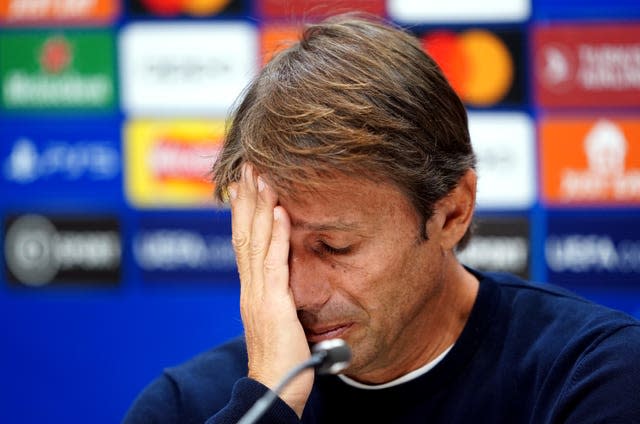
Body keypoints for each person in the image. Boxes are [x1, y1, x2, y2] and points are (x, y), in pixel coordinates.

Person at [124, 14, 640, 423]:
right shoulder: (186, 407)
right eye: (276, 250)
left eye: (335, 247)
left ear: (452, 213)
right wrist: (268, 402)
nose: (301, 294)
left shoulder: (591, 378)